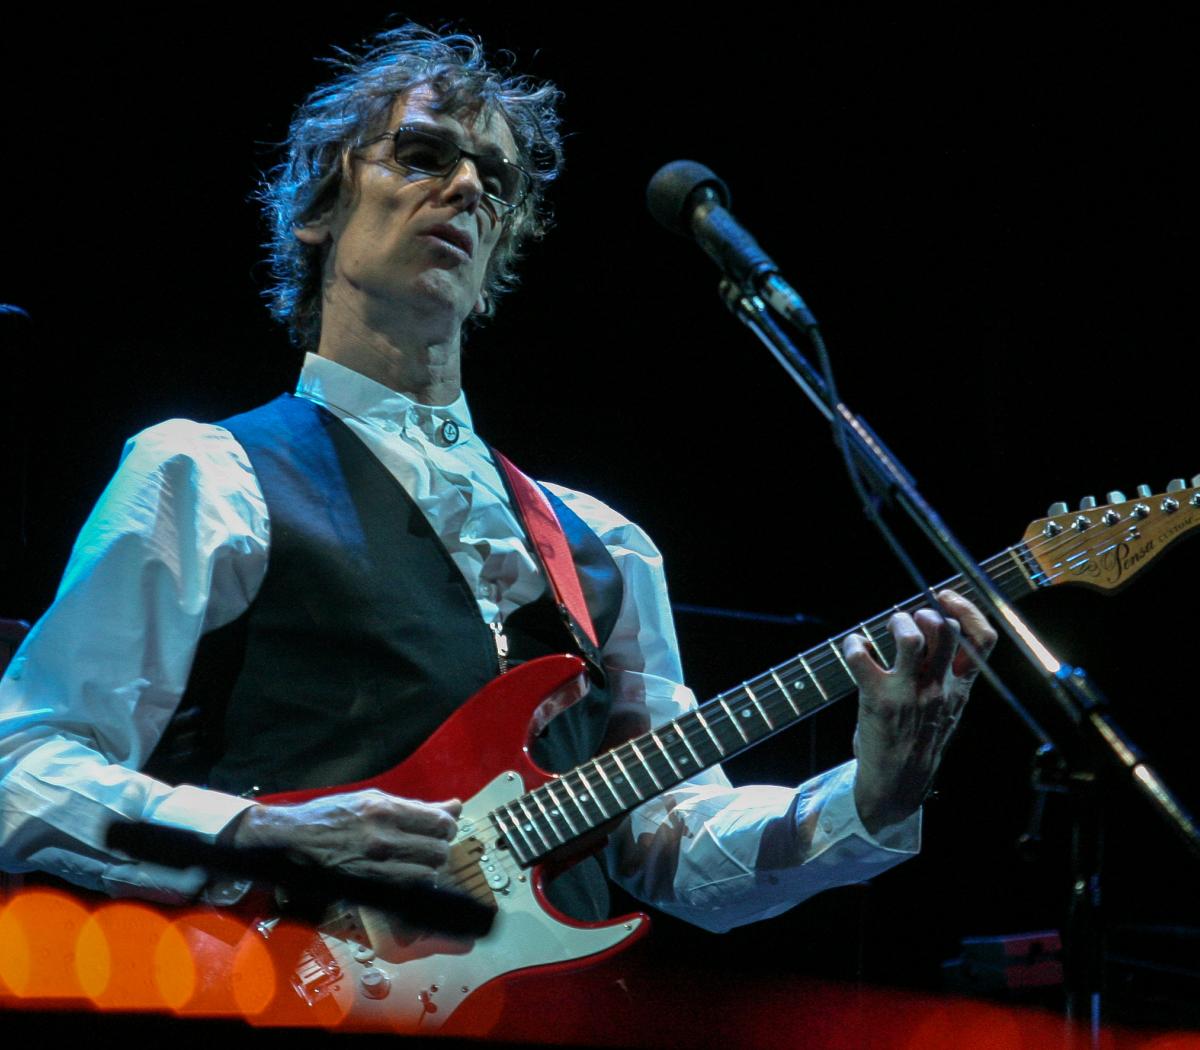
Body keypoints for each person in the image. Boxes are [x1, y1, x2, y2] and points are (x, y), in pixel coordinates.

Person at [0, 24, 994, 943]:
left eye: (495, 180)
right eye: (425, 156)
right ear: (318, 206)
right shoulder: (204, 473)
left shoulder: (603, 544)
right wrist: (260, 834)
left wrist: (872, 796)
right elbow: (23, 772)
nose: (468, 189)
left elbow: (670, 840)